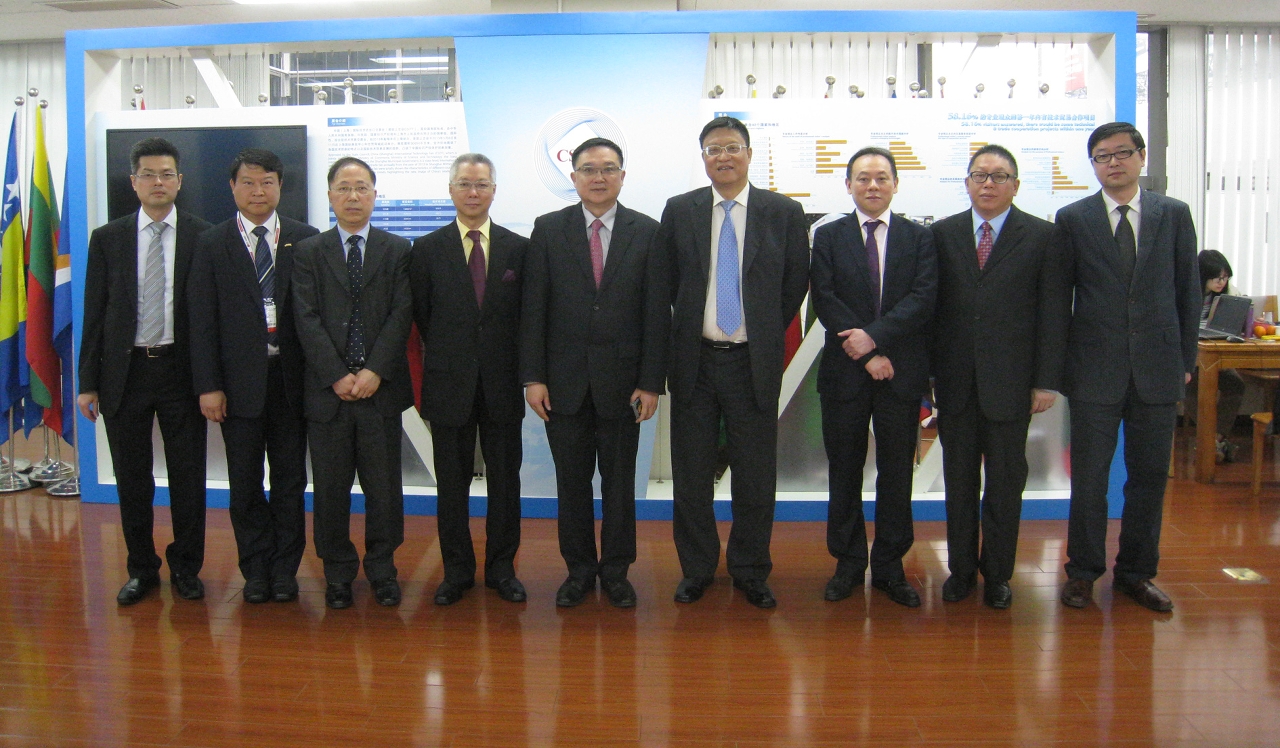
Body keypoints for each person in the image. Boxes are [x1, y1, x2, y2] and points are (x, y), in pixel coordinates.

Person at [656, 116, 809, 609]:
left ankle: (750, 570)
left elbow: (794, 283)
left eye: (732, 147)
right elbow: (667, 282)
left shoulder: (782, 212)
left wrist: (757, 327)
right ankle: (697, 569)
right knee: (692, 474)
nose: (722, 156)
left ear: (749, 153)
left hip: (752, 362)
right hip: (694, 361)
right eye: (712, 149)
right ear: (702, 157)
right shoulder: (680, 211)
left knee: (755, 474)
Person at [1057, 122, 1200, 613]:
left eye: (1122, 153)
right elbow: (1061, 297)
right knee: (1091, 478)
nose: (1113, 162)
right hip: (1094, 369)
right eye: (1101, 156)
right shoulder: (1073, 217)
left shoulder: (1173, 214)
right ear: (1093, 165)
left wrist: (1186, 359)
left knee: (1148, 477)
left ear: (1141, 157)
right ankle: (1082, 572)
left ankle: (1137, 574)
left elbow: (1188, 290)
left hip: (1158, 369)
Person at [521, 137, 667, 608]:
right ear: (574, 177)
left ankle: (618, 571)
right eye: (588, 169)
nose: (598, 177)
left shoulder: (647, 232)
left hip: (625, 386)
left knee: (620, 486)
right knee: (572, 484)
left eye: (608, 169)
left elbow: (655, 314)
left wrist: (650, 381)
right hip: (563, 385)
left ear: (623, 175)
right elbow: (534, 309)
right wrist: (533, 377)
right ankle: (580, 570)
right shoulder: (548, 229)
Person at [930, 144, 1066, 609]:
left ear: (1016, 185)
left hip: (1013, 386)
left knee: (1007, 485)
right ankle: (962, 570)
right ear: (967, 182)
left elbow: (1053, 313)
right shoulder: (943, 235)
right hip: (956, 385)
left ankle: (999, 575)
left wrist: (1046, 381)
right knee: (959, 482)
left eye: (1000, 176)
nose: (988, 184)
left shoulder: (1043, 237)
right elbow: (933, 311)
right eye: (980, 175)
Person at [77, 137, 211, 605]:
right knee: (132, 478)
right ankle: (141, 569)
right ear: (134, 182)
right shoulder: (108, 238)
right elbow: (94, 313)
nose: (159, 182)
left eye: (167, 174)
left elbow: (212, 317)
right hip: (125, 373)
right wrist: (86, 382)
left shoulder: (203, 235)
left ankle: (186, 568)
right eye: (149, 175)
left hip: (182, 372)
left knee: (188, 476)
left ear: (180, 181)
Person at [188, 148, 318, 604]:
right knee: (244, 485)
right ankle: (255, 570)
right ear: (232, 187)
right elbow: (200, 321)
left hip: (291, 384)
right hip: (237, 387)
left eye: (266, 182)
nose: (257, 190)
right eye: (248, 182)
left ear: (280, 186)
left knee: (289, 483)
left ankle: (285, 571)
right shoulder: (211, 241)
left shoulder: (306, 239)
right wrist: (208, 385)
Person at [810, 146, 937, 608]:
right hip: (845, 374)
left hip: (899, 374)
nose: (872, 186)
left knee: (896, 472)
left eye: (882, 177)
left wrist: (875, 340)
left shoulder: (919, 238)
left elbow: (923, 299)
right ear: (848, 185)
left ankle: (889, 567)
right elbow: (824, 298)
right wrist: (864, 355)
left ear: (896, 184)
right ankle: (847, 563)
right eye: (862, 178)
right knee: (843, 471)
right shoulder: (829, 236)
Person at [292, 157, 413, 610]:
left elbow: (402, 314)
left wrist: (374, 371)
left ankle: (383, 570)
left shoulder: (398, 249)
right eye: (344, 188)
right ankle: (338, 573)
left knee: (384, 491)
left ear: (375, 195)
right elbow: (305, 318)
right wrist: (337, 375)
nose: (353, 196)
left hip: (379, 391)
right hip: (329, 394)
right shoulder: (308, 251)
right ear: (329, 197)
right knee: (330, 489)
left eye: (362, 188)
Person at [410, 153, 529, 606]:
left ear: (494, 190)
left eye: (481, 184)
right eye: (464, 184)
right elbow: (422, 317)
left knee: (506, 483)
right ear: (451, 190)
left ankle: (502, 570)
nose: (473, 192)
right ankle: (456, 572)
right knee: (451, 485)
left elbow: (525, 317)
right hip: (448, 384)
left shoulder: (519, 248)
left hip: (502, 384)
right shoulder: (427, 249)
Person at [1185, 249, 1244, 463]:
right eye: (1217, 277)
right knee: (1191, 385)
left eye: (1225, 277)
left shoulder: (1229, 292)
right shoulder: (1188, 291)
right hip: (1190, 354)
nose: (1222, 282)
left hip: (1215, 351)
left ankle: (1213, 440)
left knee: (1235, 384)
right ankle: (1212, 443)